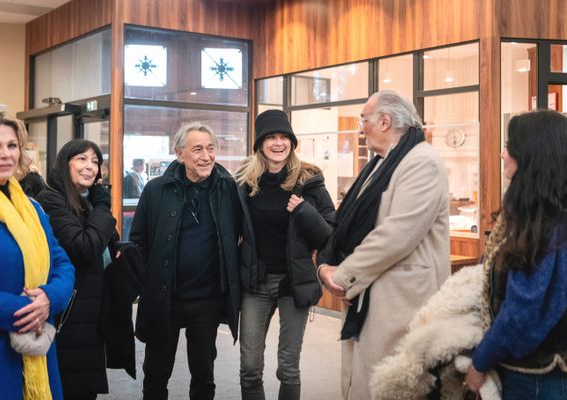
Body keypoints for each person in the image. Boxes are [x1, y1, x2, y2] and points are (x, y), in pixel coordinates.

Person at [317, 90, 451, 400]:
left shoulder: (422, 162)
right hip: (373, 290)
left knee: (397, 385)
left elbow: (396, 234)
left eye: (364, 120)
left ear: (385, 121)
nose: (361, 128)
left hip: (403, 298)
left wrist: (343, 276)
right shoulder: (381, 162)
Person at [130, 121, 241, 400]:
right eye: (198, 149)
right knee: (156, 374)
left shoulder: (228, 189)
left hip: (207, 300)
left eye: (210, 149)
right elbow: (138, 242)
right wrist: (147, 284)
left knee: (204, 376)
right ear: (179, 155)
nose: (206, 156)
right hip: (164, 298)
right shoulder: (156, 190)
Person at [0, 110, 75, 399]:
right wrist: (26, 310)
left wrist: (50, 297)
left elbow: (63, 264)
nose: (5, 154)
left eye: (11, 145)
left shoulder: (32, 208)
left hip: (38, 349)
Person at [465, 110, 567, 399]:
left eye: (509, 146)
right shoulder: (544, 217)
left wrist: (480, 361)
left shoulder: (543, 227)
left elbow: (522, 311)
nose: (501, 153)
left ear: (533, 155)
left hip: (534, 376)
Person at [236, 109, 335, 400]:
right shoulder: (244, 181)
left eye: (284, 137)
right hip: (256, 283)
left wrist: (304, 210)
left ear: (292, 142)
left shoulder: (309, 180)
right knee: (250, 366)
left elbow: (330, 232)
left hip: (295, 282)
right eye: (270, 137)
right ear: (259, 144)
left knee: (288, 366)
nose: (278, 143)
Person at [36, 139, 117, 400]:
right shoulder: (51, 201)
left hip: (91, 312)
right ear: (65, 163)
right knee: (68, 388)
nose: (90, 167)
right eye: (82, 159)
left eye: (95, 161)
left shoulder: (87, 201)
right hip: (68, 315)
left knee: (85, 388)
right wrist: (104, 208)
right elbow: (84, 248)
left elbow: (104, 243)